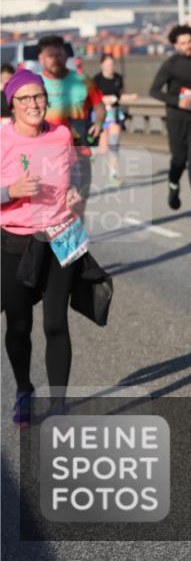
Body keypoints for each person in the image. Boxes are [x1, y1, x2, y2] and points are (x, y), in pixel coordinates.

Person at [1, 69, 86, 426]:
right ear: (12, 104)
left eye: (39, 97)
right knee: (19, 326)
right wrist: (10, 192)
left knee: (56, 324)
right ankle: (24, 389)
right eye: (25, 98)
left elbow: (76, 172)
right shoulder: (1, 137)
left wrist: (75, 194)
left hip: (59, 237)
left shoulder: (62, 134)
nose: (34, 104)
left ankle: (59, 404)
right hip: (14, 242)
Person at [149, 24, 191, 219]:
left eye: (190, 41)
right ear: (175, 45)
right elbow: (154, 91)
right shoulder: (170, 64)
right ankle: (173, 184)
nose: (188, 45)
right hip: (176, 118)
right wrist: (178, 101)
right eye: (183, 43)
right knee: (179, 159)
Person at [37, 35, 105, 212]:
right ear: (41, 58)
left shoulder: (83, 81)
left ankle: (76, 238)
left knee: (77, 205)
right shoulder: (34, 84)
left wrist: (98, 122)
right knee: (50, 208)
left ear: (66, 56)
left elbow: (99, 106)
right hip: (46, 154)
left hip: (79, 152)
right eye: (50, 56)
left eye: (59, 55)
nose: (55, 59)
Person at [92, 55, 138, 187]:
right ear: (102, 65)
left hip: (114, 114)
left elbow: (121, 94)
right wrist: (103, 99)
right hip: (101, 114)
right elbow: (93, 96)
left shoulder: (118, 78)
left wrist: (130, 97)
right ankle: (92, 153)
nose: (110, 67)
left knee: (114, 143)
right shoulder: (97, 79)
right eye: (107, 64)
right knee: (103, 148)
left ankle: (113, 174)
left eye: (112, 64)